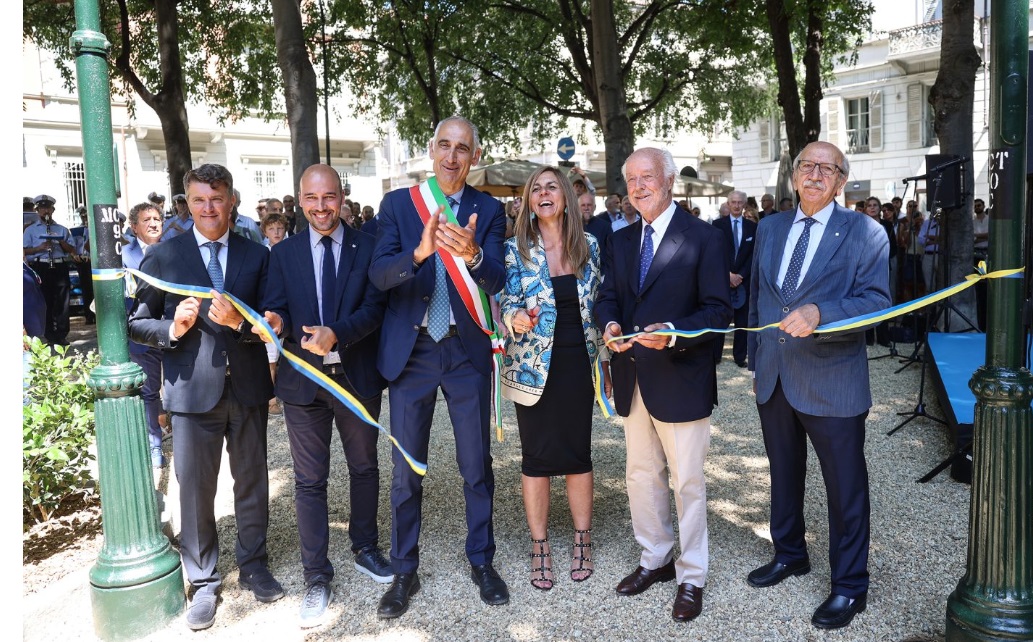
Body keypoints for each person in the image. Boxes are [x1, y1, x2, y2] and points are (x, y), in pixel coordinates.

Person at [128, 164, 282, 630]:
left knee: (252, 481)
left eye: (217, 199)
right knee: (194, 489)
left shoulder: (257, 255)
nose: (209, 208)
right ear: (187, 204)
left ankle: (253, 564)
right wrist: (173, 328)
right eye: (199, 200)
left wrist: (244, 324)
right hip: (191, 391)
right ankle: (204, 581)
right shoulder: (164, 257)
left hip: (248, 386)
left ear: (231, 200)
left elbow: (274, 319)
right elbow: (136, 322)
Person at [369, 115, 509, 619]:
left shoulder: (488, 210)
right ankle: (404, 569)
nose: (452, 157)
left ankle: (482, 561)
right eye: (444, 146)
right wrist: (419, 253)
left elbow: (497, 279)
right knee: (406, 471)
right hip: (413, 353)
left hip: (466, 351)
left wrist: (473, 255)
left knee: (476, 466)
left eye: (462, 148)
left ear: (475, 156)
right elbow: (379, 274)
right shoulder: (398, 205)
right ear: (431, 150)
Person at [746, 142, 889, 630]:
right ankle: (790, 554)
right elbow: (759, 298)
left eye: (827, 168)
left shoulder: (866, 232)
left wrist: (821, 313)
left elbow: (878, 303)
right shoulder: (770, 227)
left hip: (833, 378)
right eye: (807, 165)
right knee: (783, 474)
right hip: (775, 376)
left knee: (845, 487)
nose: (814, 174)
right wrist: (756, 363)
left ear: (841, 180)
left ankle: (849, 586)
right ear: (794, 174)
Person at [596, 147, 732, 623]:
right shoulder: (620, 240)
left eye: (647, 177)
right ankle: (654, 557)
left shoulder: (705, 237)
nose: (638, 187)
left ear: (670, 180)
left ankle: (691, 575)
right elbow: (607, 297)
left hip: (682, 377)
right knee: (640, 474)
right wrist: (610, 325)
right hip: (632, 377)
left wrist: (673, 333)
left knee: (688, 481)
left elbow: (718, 312)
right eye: (631, 179)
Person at [261, 164, 390, 628]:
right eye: (312, 198)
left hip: (356, 378)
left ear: (342, 196)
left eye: (329, 197)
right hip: (303, 384)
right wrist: (276, 322)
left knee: (365, 467)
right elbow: (276, 305)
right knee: (309, 481)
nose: (321, 207)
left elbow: (375, 309)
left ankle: (366, 547)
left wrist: (337, 333)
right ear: (300, 200)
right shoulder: (283, 253)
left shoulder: (368, 246)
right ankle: (316, 575)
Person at [501, 167, 605, 591]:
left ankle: (582, 540)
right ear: (528, 201)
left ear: (565, 197)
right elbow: (505, 300)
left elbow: (601, 305)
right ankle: (540, 546)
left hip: (579, 363)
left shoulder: (590, 246)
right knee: (536, 457)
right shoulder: (515, 249)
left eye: (552, 187)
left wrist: (607, 362)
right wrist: (514, 316)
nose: (544, 193)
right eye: (536, 189)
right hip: (533, 365)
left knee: (579, 453)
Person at [121, 202, 167, 468]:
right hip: (142, 334)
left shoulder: (176, 250)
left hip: (176, 332)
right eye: (146, 219)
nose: (153, 223)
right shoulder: (123, 256)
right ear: (134, 227)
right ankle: (154, 445)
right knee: (149, 392)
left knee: (179, 391)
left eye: (157, 219)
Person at [23, 194, 76, 345]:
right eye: (42, 208)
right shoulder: (30, 230)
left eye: (48, 208)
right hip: (41, 266)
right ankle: (49, 335)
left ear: (53, 210)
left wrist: (60, 242)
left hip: (59, 265)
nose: (45, 211)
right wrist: (39, 248)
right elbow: (24, 250)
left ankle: (62, 334)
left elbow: (72, 250)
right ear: (37, 210)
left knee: (62, 301)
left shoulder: (62, 229)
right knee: (45, 301)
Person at [713, 189, 757, 368]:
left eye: (740, 202)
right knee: (719, 318)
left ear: (744, 204)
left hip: (743, 281)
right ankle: (715, 355)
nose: (737, 205)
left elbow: (754, 255)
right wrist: (728, 274)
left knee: (742, 321)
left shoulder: (752, 227)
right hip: (722, 280)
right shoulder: (717, 225)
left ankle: (740, 356)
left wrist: (741, 275)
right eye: (734, 202)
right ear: (728, 204)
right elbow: (714, 253)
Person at [70, 205, 95, 324]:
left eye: (86, 215)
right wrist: (75, 256)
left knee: (97, 289)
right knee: (86, 289)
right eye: (82, 216)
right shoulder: (76, 231)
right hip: (83, 262)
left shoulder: (95, 228)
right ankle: (89, 316)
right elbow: (73, 247)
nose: (84, 218)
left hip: (95, 260)